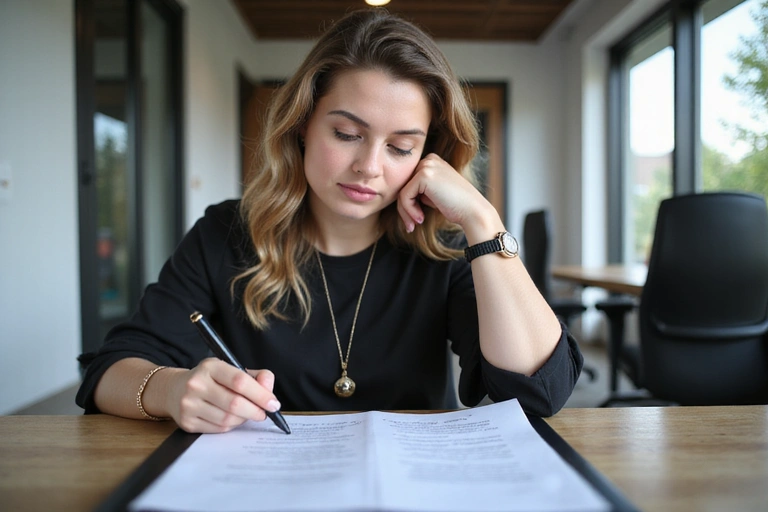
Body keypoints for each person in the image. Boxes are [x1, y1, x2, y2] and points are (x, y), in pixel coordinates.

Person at [76, 8, 583, 434]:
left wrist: (480, 217)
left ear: (429, 156)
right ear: (301, 126)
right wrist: (171, 389)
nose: (370, 166)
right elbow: (107, 372)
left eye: (401, 147)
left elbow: (541, 390)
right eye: (346, 134)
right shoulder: (226, 233)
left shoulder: (446, 245)